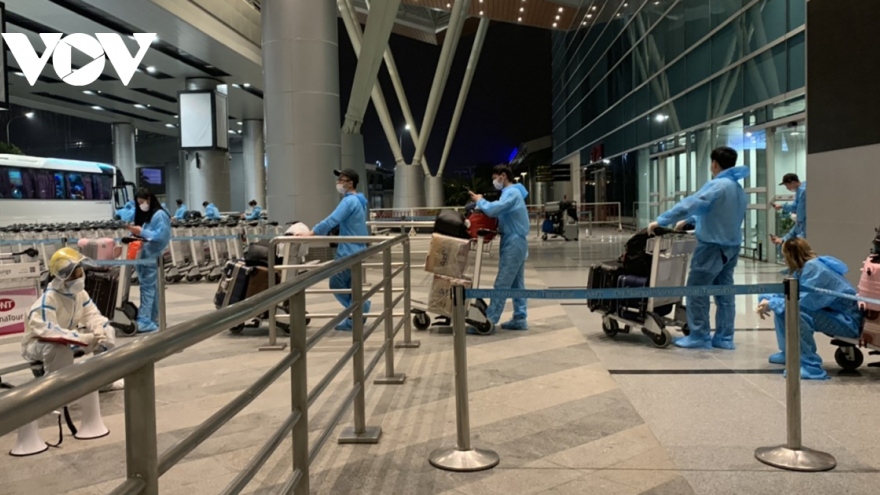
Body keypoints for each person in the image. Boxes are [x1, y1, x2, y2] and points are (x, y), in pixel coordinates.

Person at [648, 147, 748, 350]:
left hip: (712, 247)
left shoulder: (717, 185)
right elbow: (717, 211)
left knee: (697, 290)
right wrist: (690, 221)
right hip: (731, 246)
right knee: (725, 293)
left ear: (714, 163)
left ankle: (699, 335)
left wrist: (662, 220)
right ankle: (724, 337)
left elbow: (691, 204)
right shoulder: (737, 188)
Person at [758, 238, 861, 380]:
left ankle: (810, 366)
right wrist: (766, 299)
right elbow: (787, 293)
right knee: (782, 307)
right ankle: (790, 353)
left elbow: (802, 302)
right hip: (836, 315)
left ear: (790, 255)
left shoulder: (814, 269)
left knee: (794, 311)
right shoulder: (804, 268)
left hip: (848, 323)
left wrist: (772, 303)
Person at [21, 248, 116, 373]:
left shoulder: (79, 294)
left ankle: (104, 378)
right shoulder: (48, 300)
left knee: (107, 332)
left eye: (79, 272)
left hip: (68, 337)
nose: (78, 277)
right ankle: (59, 384)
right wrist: (80, 338)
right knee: (58, 348)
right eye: (73, 275)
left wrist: (99, 328)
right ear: (62, 277)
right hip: (38, 343)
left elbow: (91, 315)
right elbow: (49, 332)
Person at [298, 169, 370, 331]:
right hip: (358, 247)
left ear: (350, 183)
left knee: (336, 282)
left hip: (349, 250)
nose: (338, 183)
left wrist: (311, 233)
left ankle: (360, 310)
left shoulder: (349, 202)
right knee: (352, 285)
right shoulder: (360, 201)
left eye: (342, 180)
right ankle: (357, 315)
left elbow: (332, 220)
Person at [469, 165, 531, 333]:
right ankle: (520, 317)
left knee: (502, 283)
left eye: (495, 178)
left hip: (513, 242)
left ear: (503, 176)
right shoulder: (512, 193)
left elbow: (494, 209)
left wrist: (480, 200)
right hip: (515, 241)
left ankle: (488, 321)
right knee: (517, 284)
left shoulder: (512, 193)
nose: (495, 182)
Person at [128, 188, 172, 333]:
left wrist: (141, 232)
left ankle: (145, 320)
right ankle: (153, 318)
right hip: (145, 256)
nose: (141, 205)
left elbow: (161, 236)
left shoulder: (159, 215)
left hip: (151, 256)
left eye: (142, 202)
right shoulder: (149, 215)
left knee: (148, 289)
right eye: (139, 203)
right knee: (150, 289)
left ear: (149, 199)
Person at [771, 173, 807, 245]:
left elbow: (796, 207)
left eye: (787, 185)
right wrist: (782, 240)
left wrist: (782, 206)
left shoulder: (804, 192)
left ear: (793, 182)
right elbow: (796, 206)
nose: (787, 188)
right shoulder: (799, 191)